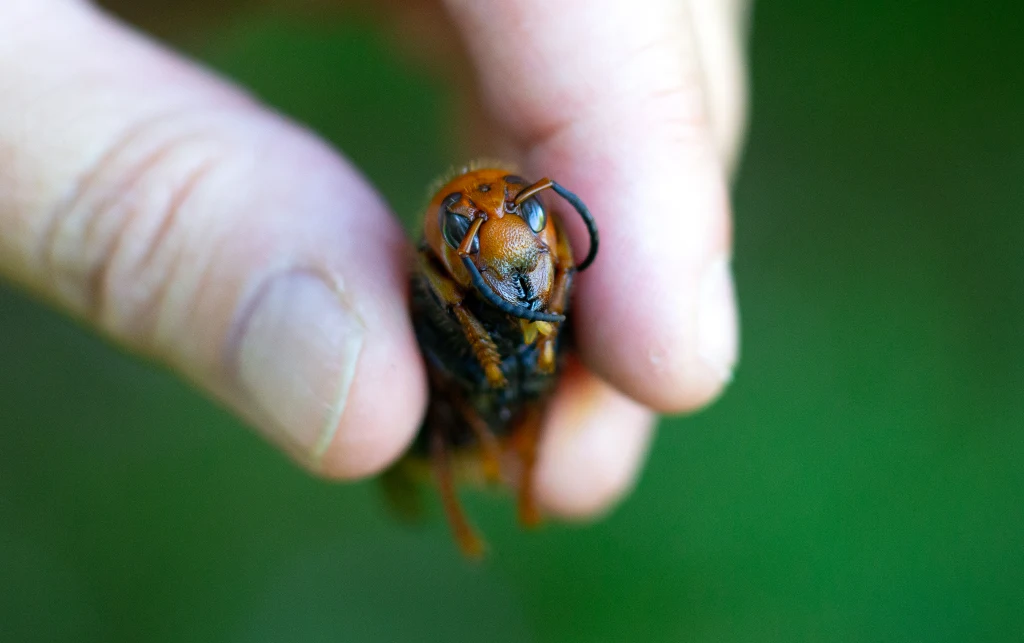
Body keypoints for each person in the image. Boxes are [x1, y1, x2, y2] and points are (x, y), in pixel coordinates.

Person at [0, 0, 746, 518]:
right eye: (474, 222)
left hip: (507, 389)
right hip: (452, 412)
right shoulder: (451, 282)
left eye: (525, 213)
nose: (503, 224)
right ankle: (447, 478)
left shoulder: (524, 252)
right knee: (433, 412)